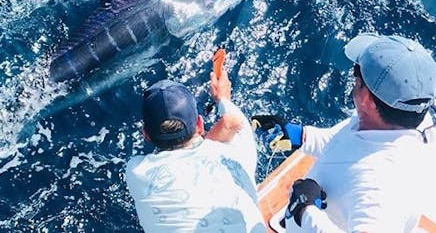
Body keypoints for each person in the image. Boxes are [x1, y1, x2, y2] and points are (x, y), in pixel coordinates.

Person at [253, 33, 436, 232]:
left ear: (365, 97)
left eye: (357, 80)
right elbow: (350, 143)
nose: (353, 84)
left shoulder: (377, 189)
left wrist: (305, 211)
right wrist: (301, 136)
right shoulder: (408, 116)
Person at [125, 70, 266, 232]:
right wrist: (223, 99)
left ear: (146, 134)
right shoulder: (237, 154)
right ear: (199, 124)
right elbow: (233, 121)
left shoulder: (136, 170)